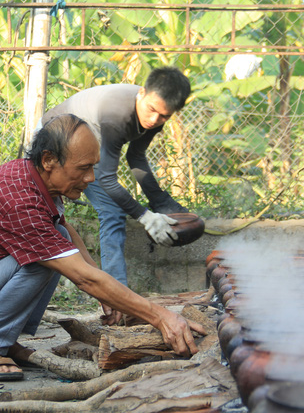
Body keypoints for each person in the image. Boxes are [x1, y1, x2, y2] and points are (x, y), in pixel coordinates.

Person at [0, 114, 206, 381]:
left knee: (57, 237)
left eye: (94, 168)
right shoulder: (18, 200)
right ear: (49, 160)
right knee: (43, 257)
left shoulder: (33, 176)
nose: (90, 178)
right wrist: (162, 316)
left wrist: (108, 293)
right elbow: (83, 277)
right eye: (83, 168)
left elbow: (66, 231)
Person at [40, 67, 196, 286]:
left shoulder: (154, 113)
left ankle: (113, 291)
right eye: (151, 110)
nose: (154, 119)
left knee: (107, 209)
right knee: (111, 211)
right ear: (141, 93)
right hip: (55, 140)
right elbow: (106, 178)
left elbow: (136, 157)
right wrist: (145, 216)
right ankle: (116, 292)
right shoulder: (117, 115)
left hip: (85, 145)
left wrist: (161, 202)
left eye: (164, 116)